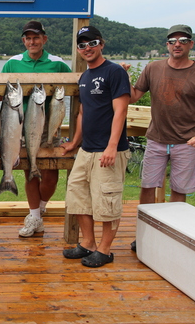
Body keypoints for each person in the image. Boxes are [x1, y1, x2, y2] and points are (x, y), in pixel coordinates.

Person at [124, 24, 195, 252]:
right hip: (156, 140)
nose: (177, 44)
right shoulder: (153, 68)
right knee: (147, 187)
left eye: (183, 40)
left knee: (179, 191)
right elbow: (134, 96)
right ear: (167, 44)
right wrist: (123, 75)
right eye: (173, 40)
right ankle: (145, 236)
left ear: (190, 44)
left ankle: (173, 237)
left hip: (186, 142)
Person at [61, 25, 130, 268]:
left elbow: (121, 110)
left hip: (108, 149)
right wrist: (74, 142)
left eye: (92, 43)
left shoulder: (115, 72)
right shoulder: (84, 77)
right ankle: (88, 243)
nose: (87, 48)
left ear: (101, 44)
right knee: (78, 195)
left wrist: (112, 146)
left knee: (107, 200)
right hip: (86, 150)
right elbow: (82, 113)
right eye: (82, 45)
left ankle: (105, 250)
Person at [1, 20, 72, 237]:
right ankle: (34, 217)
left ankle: (38, 212)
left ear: (44, 39)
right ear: (24, 41)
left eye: (36, 37)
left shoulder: (57, 63)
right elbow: (1, 93)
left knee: (51, 172)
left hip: (48, 127)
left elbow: (75, 88)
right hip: (19, 126)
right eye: (28, 38)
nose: (32, 41)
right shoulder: (12, 63)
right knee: (29, 172)